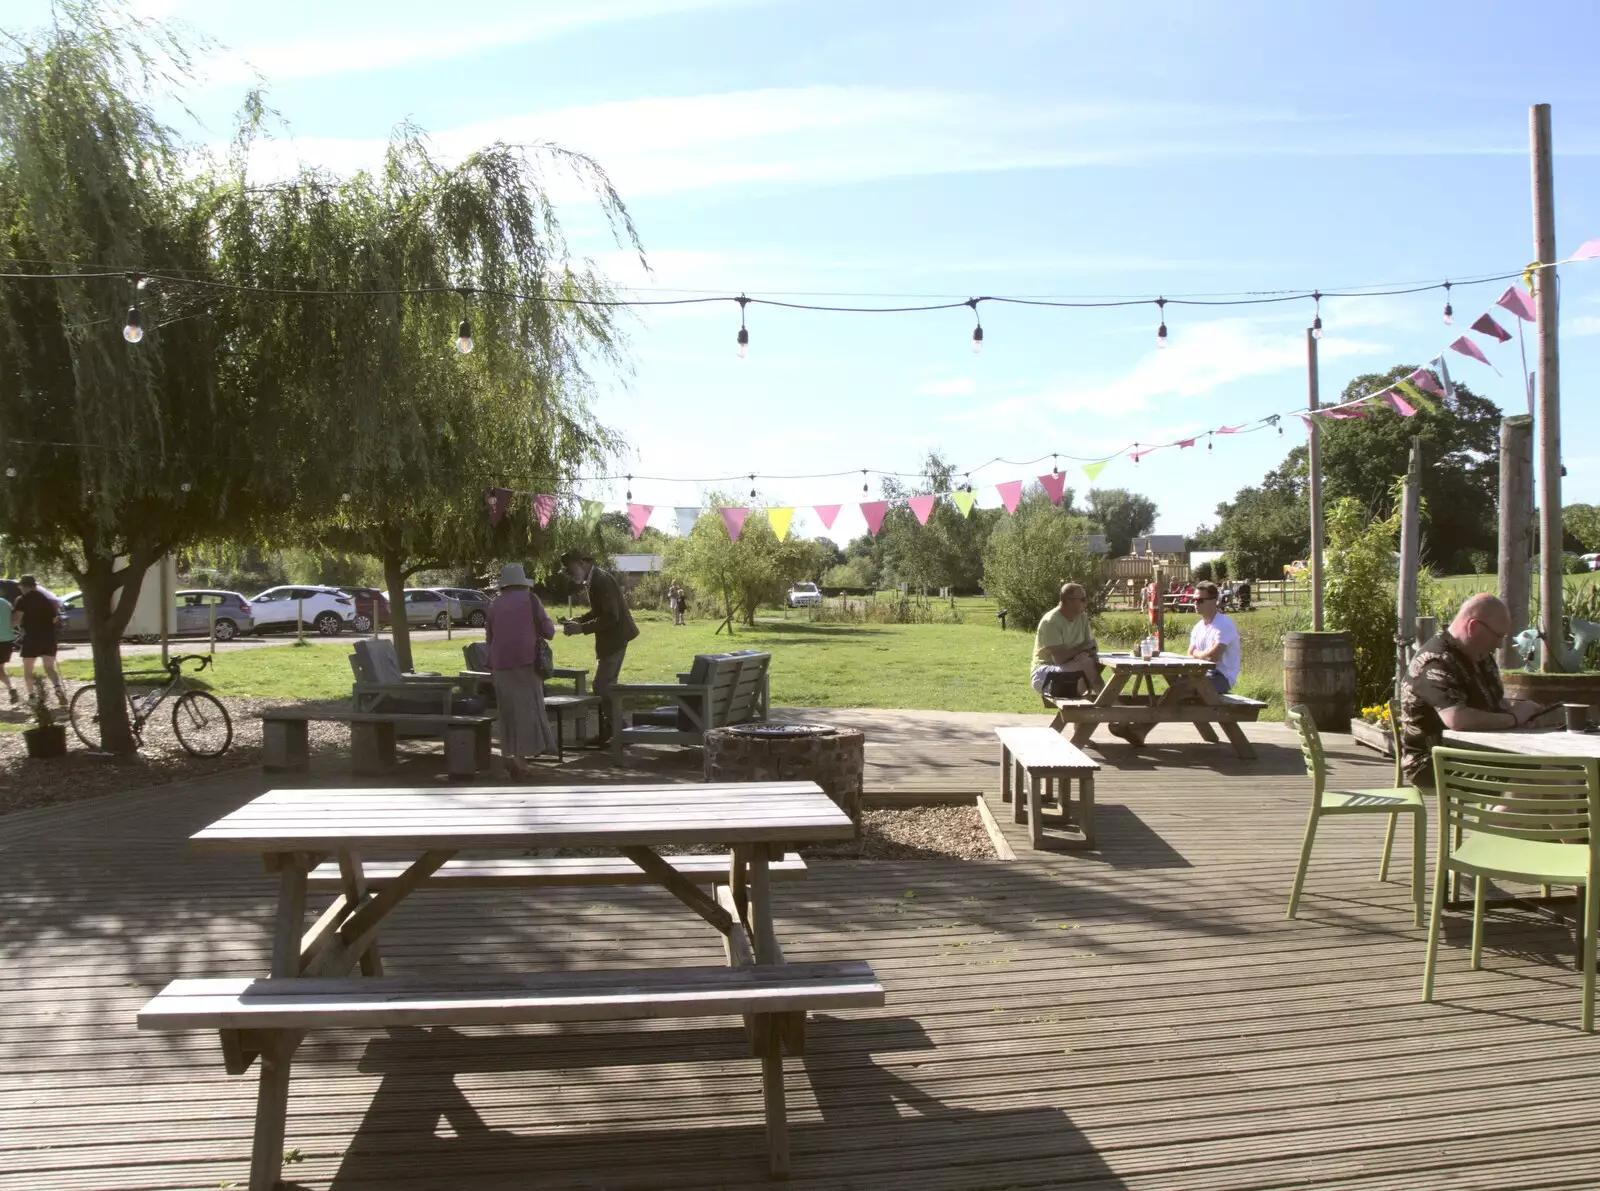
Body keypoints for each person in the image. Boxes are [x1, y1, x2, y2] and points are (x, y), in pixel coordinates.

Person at [1400, 593, 1541, 786]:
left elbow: (1495, 702)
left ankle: (1500, 816)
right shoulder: (1435, 660)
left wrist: (1521, 712)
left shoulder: (1478, 653)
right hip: (1435, 762)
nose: (1500, 645)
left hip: (1478, 752)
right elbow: (1457, 718)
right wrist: (1513, 719)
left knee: (1563, 778)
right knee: (1534, 780)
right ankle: (1494, 817)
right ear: (1473, 627)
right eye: (1498, 636)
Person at [483, 563, 556, 781]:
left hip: (500, 665)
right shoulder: (531, 600)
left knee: (508, 713)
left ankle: (513, 757)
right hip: (526, 662)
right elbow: (549, 631)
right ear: (522, 582)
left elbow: (490, 636)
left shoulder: (495, 604)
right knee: (528, 710)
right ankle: (521, 760)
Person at [560, 549, 639, 745]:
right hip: (611, 639)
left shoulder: (600, 580)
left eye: (570, 569)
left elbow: (611, 616)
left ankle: (620, 731)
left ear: (582, 563)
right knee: (605, 686)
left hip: (615, 639)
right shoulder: (595, 578)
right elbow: (599, 611)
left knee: (602, 685)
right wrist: (579, 619)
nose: (570, 574)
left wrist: (582, 628)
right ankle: (612, 730)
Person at [1030, 583, 1101, 699]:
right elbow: (1060, 659)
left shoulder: (1082, 618)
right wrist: (1082, 649)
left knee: (1091, 662)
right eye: (1082, 599)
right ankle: (1107, 701)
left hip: (1071, 668)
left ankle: (1102, 701)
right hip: (1044, 673)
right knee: (1087, 663)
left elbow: (1092, 647)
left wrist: (1084, 652)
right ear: (1069, 602)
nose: (1086, 602)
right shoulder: (1051, 622)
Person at [12, 575, 66, 706]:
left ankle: (31, 696)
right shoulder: (46, 600)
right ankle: (58, 689)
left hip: (31, 638)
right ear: (34, 586)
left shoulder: (22, 600)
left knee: (28, 670)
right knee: (49, 668)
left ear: (24, 586)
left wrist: (13, 623)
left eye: (21, 586)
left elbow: (16, 619)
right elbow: (54, 619)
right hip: (49, 638)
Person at [1186, 581, 1241, 697]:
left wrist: (1198, 653)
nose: (1196, 603)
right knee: (1177, 685)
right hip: (1200, 673)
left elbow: (1213, 657)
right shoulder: (1198, 627)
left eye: (1200, 600)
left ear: (1213, 601)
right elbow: (1189, 653)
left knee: (1187, 689)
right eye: (1194, 600)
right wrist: (1204, 653)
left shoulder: (1224, 625)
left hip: (1221, 676)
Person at [0, 586, 16, 704]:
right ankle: (11, 688)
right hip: (7, 641)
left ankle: (12, 688)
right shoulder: (6, 603)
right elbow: (13, 620)